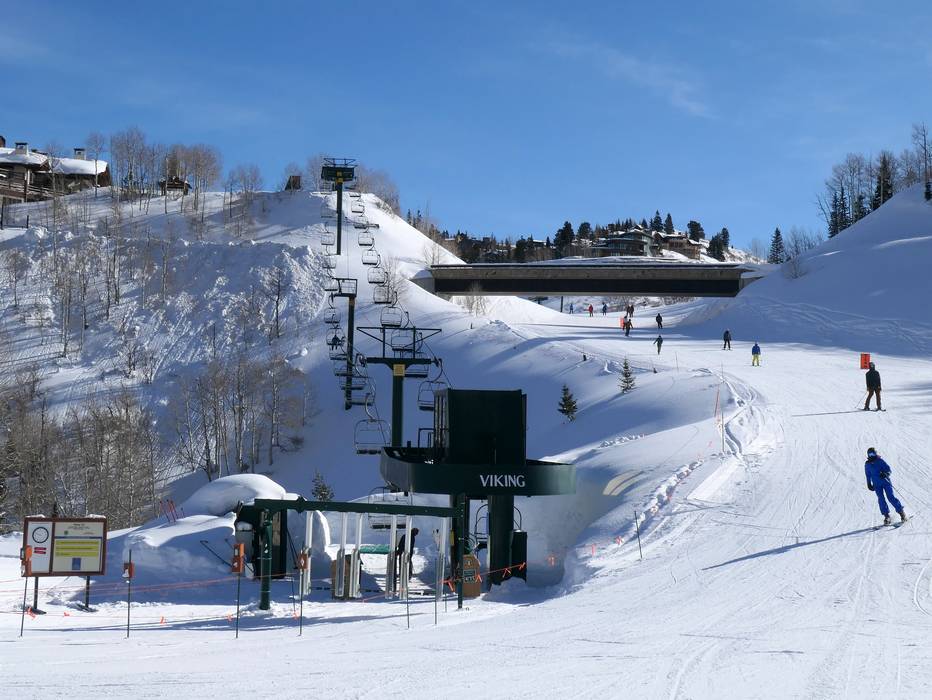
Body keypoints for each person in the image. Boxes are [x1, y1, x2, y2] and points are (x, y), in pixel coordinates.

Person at [864, 447, 906, 525]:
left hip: (886, 482)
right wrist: (869, 483)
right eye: (870, 454)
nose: (872, 455)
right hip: (877, 485)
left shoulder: (880, 460)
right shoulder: (867, 464)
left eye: (873, 453)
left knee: (890, 497)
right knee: (881, 499)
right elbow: (868, 475)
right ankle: (887, 516)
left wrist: (885, 474)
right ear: (868, 455)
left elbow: (888, 469)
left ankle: (901, 512)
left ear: (876, 453)